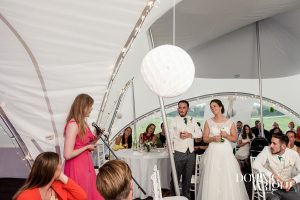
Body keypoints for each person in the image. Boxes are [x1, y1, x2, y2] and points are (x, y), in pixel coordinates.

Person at [197, 99, 249, 200]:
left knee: (227, 176)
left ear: (221, 107)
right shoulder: (208, 122)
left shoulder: (230, 122)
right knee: (213, 176)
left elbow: (234, 139)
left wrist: (226, 135)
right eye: (211, 107)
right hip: (213, 152)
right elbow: (205, 138)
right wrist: (213, 138)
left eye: (215, 106)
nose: (213, 108)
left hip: (226, 152)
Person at [63, 93, 104, 200]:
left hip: (86, 163)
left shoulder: (83, 123)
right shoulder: (73, 125)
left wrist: (98, 136)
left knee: (89, 191)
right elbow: (67, 155)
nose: (91, 108)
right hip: (76, 166)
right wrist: (86, 148)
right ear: (83, 107)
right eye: (90, 106)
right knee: (81, 193)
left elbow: (89, 145)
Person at [13, 152, 87, 200]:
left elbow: (82, 197)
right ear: (52, 168)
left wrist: (62, 176)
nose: (61, 167)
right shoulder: (26, 196)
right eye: (60, 164)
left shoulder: (58, 186)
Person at [169, 100, 202, 199]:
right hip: (178, 152)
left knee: (187, 178)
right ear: (178, 109)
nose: (182, 109)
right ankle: (174, 197)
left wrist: (190, 135)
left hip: (191, 153)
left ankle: (185, 196)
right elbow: (170, 136)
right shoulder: (174, 120)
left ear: (187, 108)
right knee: (175, 177)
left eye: (184, 107)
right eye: (180, 107)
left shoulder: (193, 119)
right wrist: (172, 149)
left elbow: (200, 134)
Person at [253, 133, 300, 200]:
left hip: (285, 187)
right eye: (271, 142)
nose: (271, 145)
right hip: (268, 185)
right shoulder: (266, 150)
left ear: (283, 146)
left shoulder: (294, 154)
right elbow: (255, 164)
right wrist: (273, 176)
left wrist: (292, 181)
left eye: (274, 143)